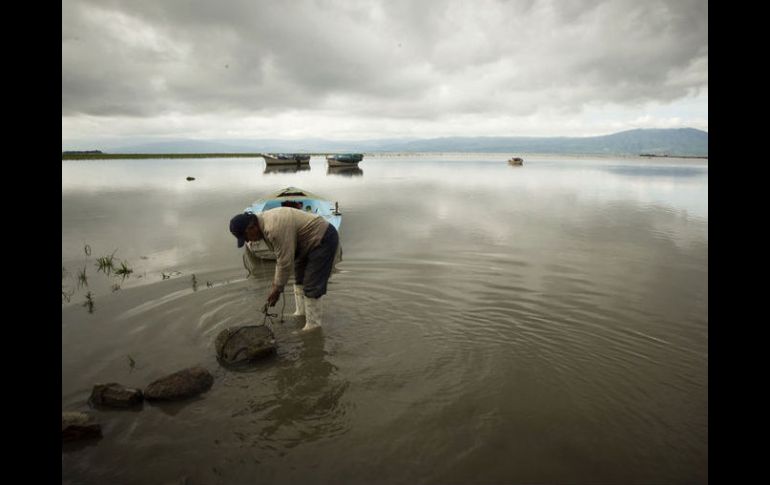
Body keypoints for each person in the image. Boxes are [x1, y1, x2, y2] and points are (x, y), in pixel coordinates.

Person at [229, 207, 339, 331]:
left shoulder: (273, 228)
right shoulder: (260, 224)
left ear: (252, 227)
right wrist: (277, 285)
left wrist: (277, 289)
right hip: (303, 243)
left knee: (312, 284)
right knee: (299, 279)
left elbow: (284, 262)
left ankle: (313, 326)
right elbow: (282, 258)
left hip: (322, 238)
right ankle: (301, 313)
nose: (248, 241)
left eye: (246, 237)